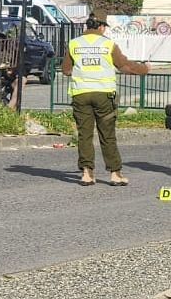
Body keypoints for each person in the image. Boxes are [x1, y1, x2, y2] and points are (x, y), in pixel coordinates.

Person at [61, 10, 151, 187]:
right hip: (104, 95)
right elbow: (125, 66)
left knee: (84, 135)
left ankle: (87, 173)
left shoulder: (74, 43)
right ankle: (115, 174)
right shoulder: (108, 44)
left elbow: (66, 70)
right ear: (101, 27)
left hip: (81, 94)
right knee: (107, 135)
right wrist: (144, 68)